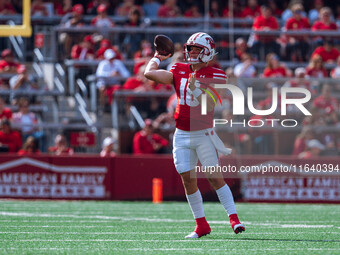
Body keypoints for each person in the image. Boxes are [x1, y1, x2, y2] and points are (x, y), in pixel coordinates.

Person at [144, 32, 245, 238]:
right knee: (187, 179)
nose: (191, 52)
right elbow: (150, 74)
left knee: (214, 177)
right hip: (181, 134)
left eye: (196, 49)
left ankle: (234, 219)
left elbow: (212, 104)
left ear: (207, 52)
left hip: (203, 133)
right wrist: (157, 56)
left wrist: (196, 90)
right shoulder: (178, 69)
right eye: (190, 48)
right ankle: (201, 225)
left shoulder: (216, 74)